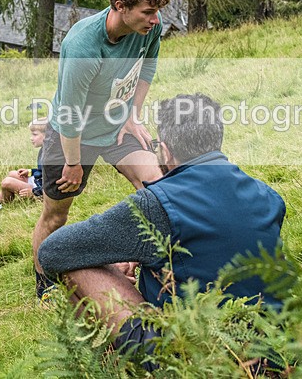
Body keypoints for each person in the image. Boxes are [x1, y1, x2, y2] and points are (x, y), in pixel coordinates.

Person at [38, 93, 285, 364]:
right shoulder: (269, 197)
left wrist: (109, 266)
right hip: (274, 350)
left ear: (165, 151)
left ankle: (114, 364)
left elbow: (52, 250)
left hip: (198, 356)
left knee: (74, 261)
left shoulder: (157, 202)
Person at [32, 0, 173, 298]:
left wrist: (133, 115)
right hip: (72, 137)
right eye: (148, 12)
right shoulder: (83, 45)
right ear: (120, 6)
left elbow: (148, 66)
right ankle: (45, 286)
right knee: (55, 215)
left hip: (118, 129)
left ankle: (159, 272)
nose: (155, 20)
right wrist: (73, 162)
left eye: (156, 12)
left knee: (160, 189)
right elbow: (69, 112)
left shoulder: (150, 27)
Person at [0, 119, 46, 212]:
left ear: (47, 136)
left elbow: (54, 180)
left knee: (7, 182)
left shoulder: (52, 155)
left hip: (44, 193)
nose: (31, 138)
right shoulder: (44, 150)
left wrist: (34, 192)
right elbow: (44, 171)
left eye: (35, 134)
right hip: (40, 183)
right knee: (12, 174)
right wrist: (30, 172)